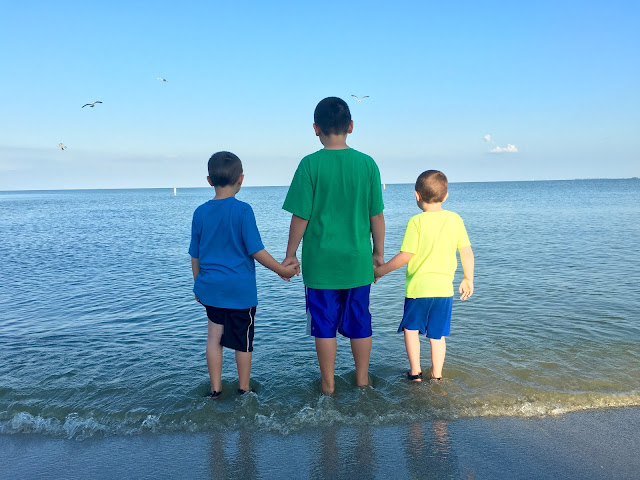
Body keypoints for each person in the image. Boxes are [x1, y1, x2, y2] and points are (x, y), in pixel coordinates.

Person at [281, 97, 385, 395]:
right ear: (350, 126)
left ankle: (328, 386)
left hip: (321, 264)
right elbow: (376, 216)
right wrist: (378, 253)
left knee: (324, 326)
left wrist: (290, 255)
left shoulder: (309, 164)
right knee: (360, 321)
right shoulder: (367, 164)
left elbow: (300, 216)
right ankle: (362, 380)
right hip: (357, 261)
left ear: (316, 129)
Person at [189, 151, 299, 398]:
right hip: (240, 291)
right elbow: (256, 251)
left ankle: (215, 390)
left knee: (214, 338)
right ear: (241, 179)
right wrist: (282, 270)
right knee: (243, 341)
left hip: (210, 288)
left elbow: (195, 254)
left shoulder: (200, 212)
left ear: (209, 180)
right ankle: (244, 389)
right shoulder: (243, 211)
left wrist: (198, 283)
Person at [374, 170, 474, 382]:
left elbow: (406, 255)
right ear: (446, 196)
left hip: (418, 290)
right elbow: (466, 251)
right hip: (443, 291)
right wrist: (468, 278)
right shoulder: (455, 219)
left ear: (417, 195)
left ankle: (415, 374)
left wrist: (380, 271)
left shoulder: (416, 222)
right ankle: (437, 376)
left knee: (411, 330)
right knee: (437, 335)